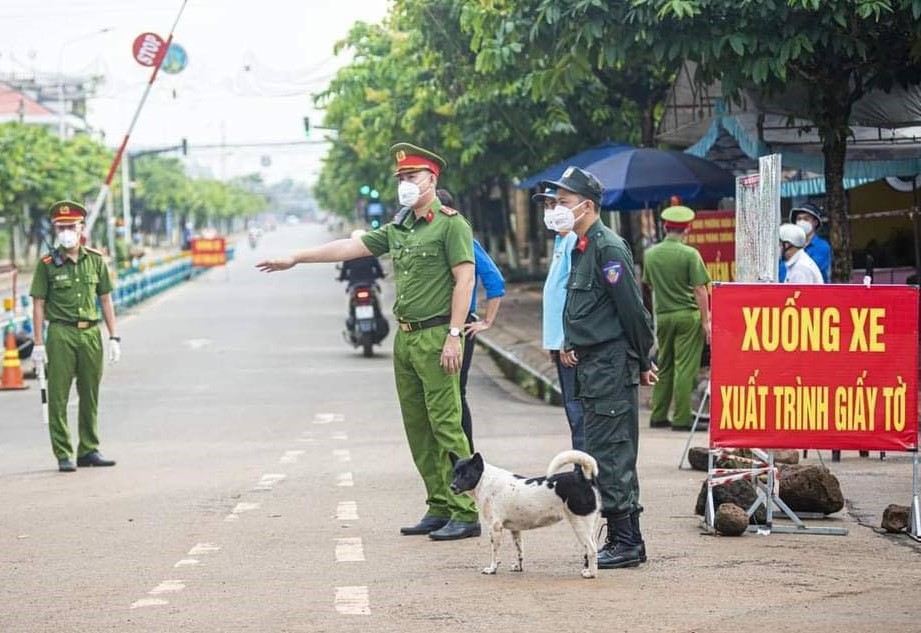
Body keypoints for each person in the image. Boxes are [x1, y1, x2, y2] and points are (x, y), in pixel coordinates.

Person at [256, 143, 480, 541]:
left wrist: (454, 335)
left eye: (411, 177)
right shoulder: (400, 229)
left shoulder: (451, 224)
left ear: (432, 179)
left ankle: (466, 510)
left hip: (436, 334)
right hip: (406, 337)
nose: (405, 184)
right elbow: (348, 247)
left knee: (447, 425)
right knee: (417, 427)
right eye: (400, 179)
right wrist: (295, 257)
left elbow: (465, 278)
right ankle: (439, 504)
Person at [548, 166, 656, 570]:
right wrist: (573, 342)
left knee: (611, 454)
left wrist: (644, 359)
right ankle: (629, 539)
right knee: (598, 450)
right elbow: (587, 308)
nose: (556, 209)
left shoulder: (607, 248)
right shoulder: (580, 246)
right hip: (593, 365)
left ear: (586, 206)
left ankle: (626, 541)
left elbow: (632, 309)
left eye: (563, 202)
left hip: (611, 366)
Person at [29, 201, 121, 473]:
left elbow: (105, 299)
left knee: (90, 394)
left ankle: (89, 450)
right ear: (55, 230)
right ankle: (63, 453)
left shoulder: (94, 259)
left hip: (91, 333)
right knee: (58, 395)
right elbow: (38, 304)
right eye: (61, 227)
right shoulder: (46, 264)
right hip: (60, 333)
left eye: (71, 226)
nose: (66, 231)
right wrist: (37, 343)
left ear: (82, 228)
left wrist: (114, 336)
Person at [435, 189, 505, 452]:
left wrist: (485, 321)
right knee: (445, 393)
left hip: (461, 325)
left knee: (456, 392)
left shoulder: (463, 241)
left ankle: (465, 454)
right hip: (439, 325)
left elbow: (495, 282)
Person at [641, 205, 711, 432]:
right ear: (687, 228)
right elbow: (700, 289)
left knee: (665, 365)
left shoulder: (650, 254)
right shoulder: (690, 254)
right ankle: (682, 418)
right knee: (685, 367)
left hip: (663, 317)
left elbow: (648, 285)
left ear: (664, 226)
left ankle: (659, 414)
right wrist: (706, 321)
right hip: (687, 317)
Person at [537, 185, 585, 450]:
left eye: (556, 204)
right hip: (560, 342)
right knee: (571, 408)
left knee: (578, 410)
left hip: (570, 343)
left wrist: (567, 339)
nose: (550, 211)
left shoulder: (573, 242)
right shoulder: (559, 242)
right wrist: (553, 342)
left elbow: (574, 295)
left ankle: (585, 471)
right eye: (546, 206)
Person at [778, 202, 831, 282]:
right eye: (799, 219)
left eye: (806, 219)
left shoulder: (822, 247)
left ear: (815, 222)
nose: (801, 222)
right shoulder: (788, 248)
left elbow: (804, 272)